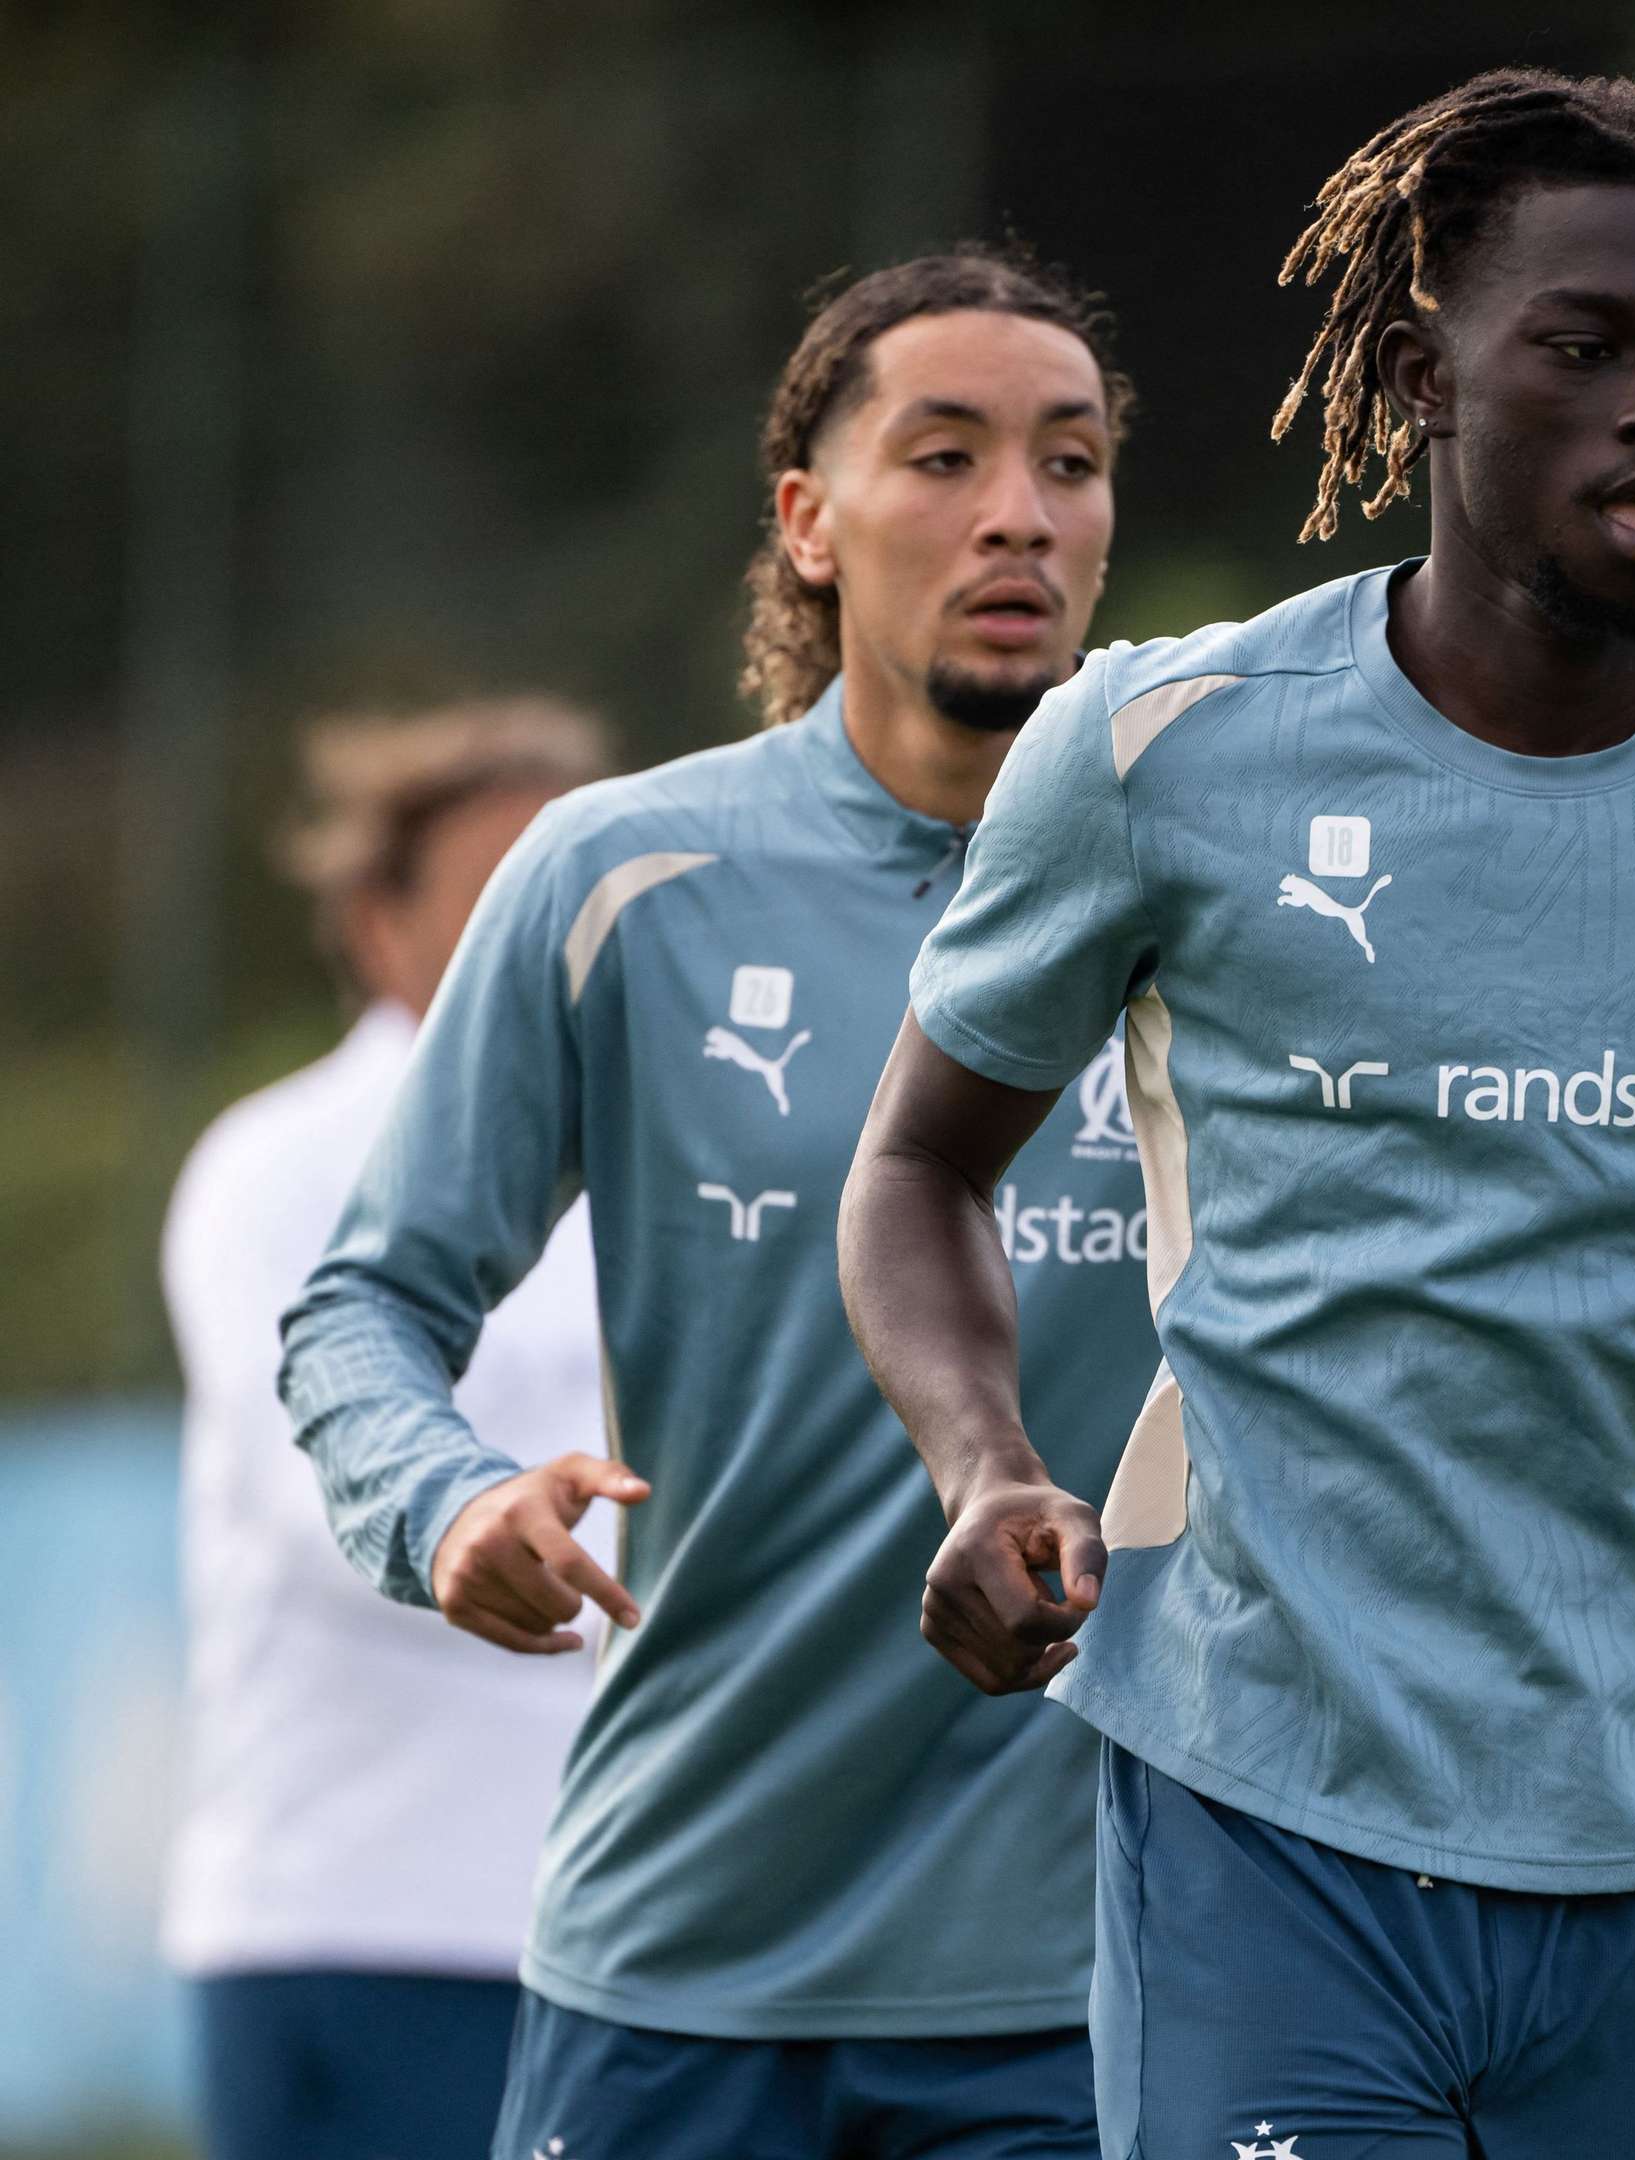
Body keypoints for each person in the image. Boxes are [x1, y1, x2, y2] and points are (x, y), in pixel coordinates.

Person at [834, 71, 1635, 2160]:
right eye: (1585, 348)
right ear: (1424, 379)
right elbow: (916, 1166)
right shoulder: (1165, 747)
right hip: (1267, 1809)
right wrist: (983, 1469)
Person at [279, 248, 1157, 2159]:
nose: (1019, 510)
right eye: (944, 457)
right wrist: (446, 1505)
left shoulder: (1215, 907)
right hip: (681, 1959)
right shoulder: (622, 881)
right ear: (808, 523)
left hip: (1090, 1989)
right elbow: (364, 1306)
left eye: (1071, 462)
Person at [166, 699, 611, 2160]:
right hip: (363, 1921)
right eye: (499, 892)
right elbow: (318, 1491)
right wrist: (476, 1516)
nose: (547, 932)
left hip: (625, 1927)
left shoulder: (662, 1155)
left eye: (578, 888)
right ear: (376, 923)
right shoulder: (278, 1164)